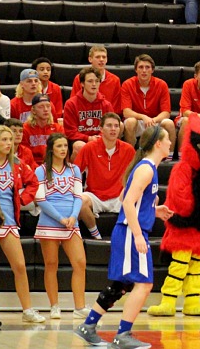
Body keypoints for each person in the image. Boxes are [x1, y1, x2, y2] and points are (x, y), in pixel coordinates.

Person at [75, 125, 174, 348]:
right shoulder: (146, 169)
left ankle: (88, 326)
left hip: (129, 230)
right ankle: (123, 334)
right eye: (167, 139)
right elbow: (127, 202)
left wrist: (153, 210)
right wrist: (138, 235)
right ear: (158, 143)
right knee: (144, 284)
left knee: (122, 283)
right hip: (131, 232)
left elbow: (123, 196)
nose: (170, 143)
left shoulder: (146, 167)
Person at [0, 125, 44, 324]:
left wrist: (23, 199)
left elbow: (34, 183)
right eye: (4, 140)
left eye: (10, 140)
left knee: (19, 265)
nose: (9, 143)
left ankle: (27, 309)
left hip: (9, 221)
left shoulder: (17, 163)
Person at [33, 133, 89, 319]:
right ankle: (54, 306)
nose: (63, 149)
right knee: (51, 264)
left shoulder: (74, 170)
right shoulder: (41, 170)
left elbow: (78, 196)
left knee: (80, 263)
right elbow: (40, 199)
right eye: (59, 146)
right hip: (50, 223)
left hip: (71, 223)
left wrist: (73, 216)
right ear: (51, 149)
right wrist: (60, 218)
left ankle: (79, 307)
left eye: (65, 145)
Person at [75, 113, 135, 240]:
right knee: (80, 201)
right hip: (95, 195)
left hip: (119, 196)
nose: (113, 129)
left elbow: (136, 175)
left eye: (116, 126)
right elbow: (75, 173)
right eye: (109, 126)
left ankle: (133, 235)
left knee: (148, 198)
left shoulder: (128, 149)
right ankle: (96, 236)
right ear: (101, 129)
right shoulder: (89, 148)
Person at [121, 54, 176, 160]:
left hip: (155, 120)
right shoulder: (127, 84)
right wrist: (143, 117)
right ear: (136, 70)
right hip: (138, 121)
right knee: (130, 122)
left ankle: (168, 158)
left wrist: (153, 120)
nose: (144, 70)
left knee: (169, 123)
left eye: (147, 67)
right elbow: (126, 112)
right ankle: (130, 157)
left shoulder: (161, 84)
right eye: (141, 67)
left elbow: (166, 112)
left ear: (152, 70)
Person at [63, 67, 115, 161]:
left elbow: (111, 125)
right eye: (90, 81)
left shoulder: (106, 105)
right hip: (79, 140)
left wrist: (99, 137)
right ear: (82, 84)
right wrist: (88, 138)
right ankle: (75, 170)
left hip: (101, 138)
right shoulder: (71, 104)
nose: (94, 84)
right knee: (80, 146)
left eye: (97, 81)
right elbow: (70, 132)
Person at [71, 45, 122, 116]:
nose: (101, 59)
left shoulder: (115, 80)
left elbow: (116, 108)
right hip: (84, 116)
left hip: (107, 118)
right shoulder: (79, 78)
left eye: (104, 57)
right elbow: (74, 103)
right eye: (98, 57)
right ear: (90, 59)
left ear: (107, 59)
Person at [21, 94, 65, 166]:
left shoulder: (58, 128)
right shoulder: (25, 129)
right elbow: (25, 154)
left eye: (48, 106)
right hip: (32, 165)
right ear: (33, 110)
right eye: (41, 107)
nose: (45, 109)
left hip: (53, 165)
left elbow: (62, 152)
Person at [31, 57, 63, 123]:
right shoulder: (31, 87)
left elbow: (58, 112)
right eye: (42, 69)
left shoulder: (56, 88)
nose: (46, 72)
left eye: (48, 70)